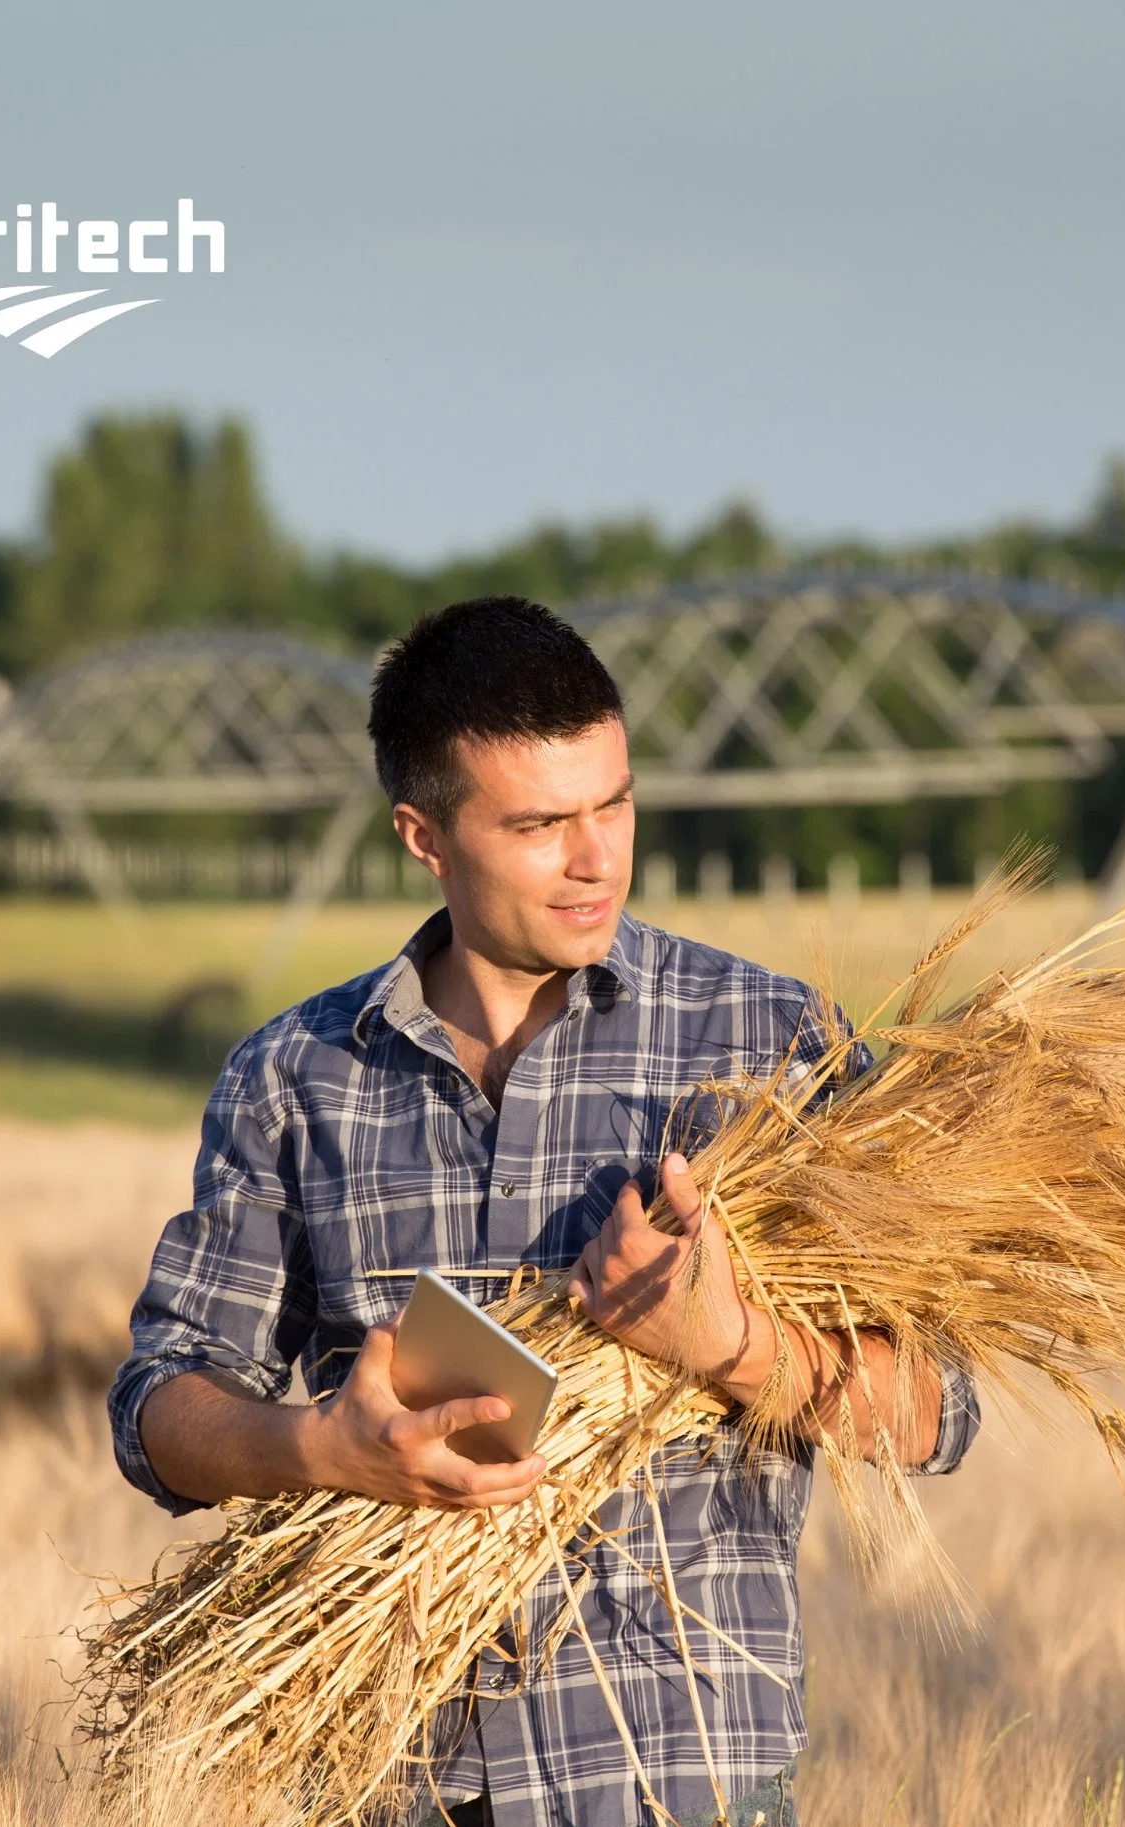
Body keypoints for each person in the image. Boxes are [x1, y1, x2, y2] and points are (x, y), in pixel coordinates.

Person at [109, 596, 980, 1827]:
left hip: (686, 1789)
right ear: (425, 835)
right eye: (540, 823)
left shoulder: (772, 1048)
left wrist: (730, 1349)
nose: (597, 858)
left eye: (613, 803)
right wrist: (321, 1450)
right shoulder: (293, 1078)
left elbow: (938, 1413)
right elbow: (157, 1410)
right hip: (394, 1791)